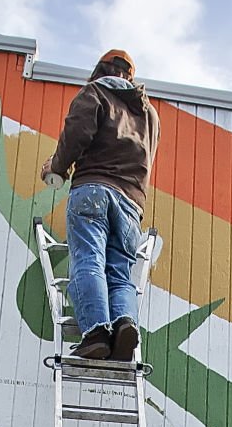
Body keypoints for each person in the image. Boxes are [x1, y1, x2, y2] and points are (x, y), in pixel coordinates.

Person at [41, 50, 160, 361]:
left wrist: (56, 166)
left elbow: (76, 135)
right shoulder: (149, 115)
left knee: (89, 260)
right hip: (131, 205)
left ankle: (95, 333)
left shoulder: (94, 92)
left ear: (100, 70)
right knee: (120, 274)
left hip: (93, 189)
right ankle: (124, 325)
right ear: (130, 77)